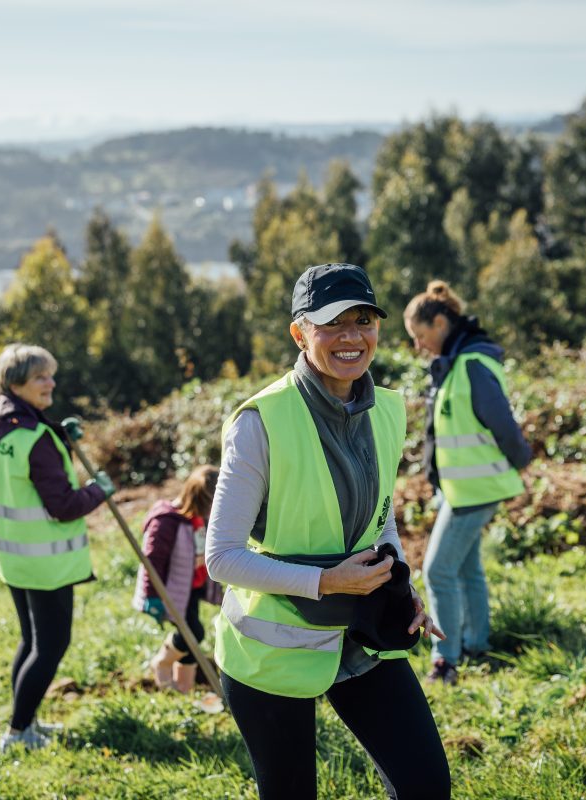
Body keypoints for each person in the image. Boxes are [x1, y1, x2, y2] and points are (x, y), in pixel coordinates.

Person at [206, 262, 450, 800]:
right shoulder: (259, 421)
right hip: (271, 649)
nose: (350, 336)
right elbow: (220, 558)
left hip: (363, 627)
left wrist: (401, 585)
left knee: (426, 786)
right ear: (299, 332)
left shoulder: (387, 409)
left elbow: (378, 515)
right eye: (331, 323)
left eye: (363, 320)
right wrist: (326, 583)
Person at [0, 343, 116, 753]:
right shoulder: (34, 437)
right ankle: (17, 734)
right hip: (45, 562)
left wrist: (59, 437)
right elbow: (64, 505)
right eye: (40, 377)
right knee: (50, 646)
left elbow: (27, 473)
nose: (50, 382)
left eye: (51, 374)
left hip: (12, 556)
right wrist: (99, 491)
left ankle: (26, 722)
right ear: (16, 383)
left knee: (30, 641)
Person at [403, 280, 532, 685]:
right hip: (461, 489)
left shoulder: (472, 364)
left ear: (440, 322)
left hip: (474, 491)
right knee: (467, 568)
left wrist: (520, 460)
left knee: (438, 570)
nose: (419, 347)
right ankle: (477, 645)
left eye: (421, 336)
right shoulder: (456, 363)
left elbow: (504, 426)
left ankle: (446, 661)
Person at [133, 465, 221, 693]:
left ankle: (184, 689)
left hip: (193, 587)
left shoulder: (205, 519)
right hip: (172, 592)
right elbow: (152, 561)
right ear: (198, 497)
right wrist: (151, 596)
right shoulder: (166, 522)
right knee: (194, 633)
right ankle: (161, 664)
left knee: (191, 640)